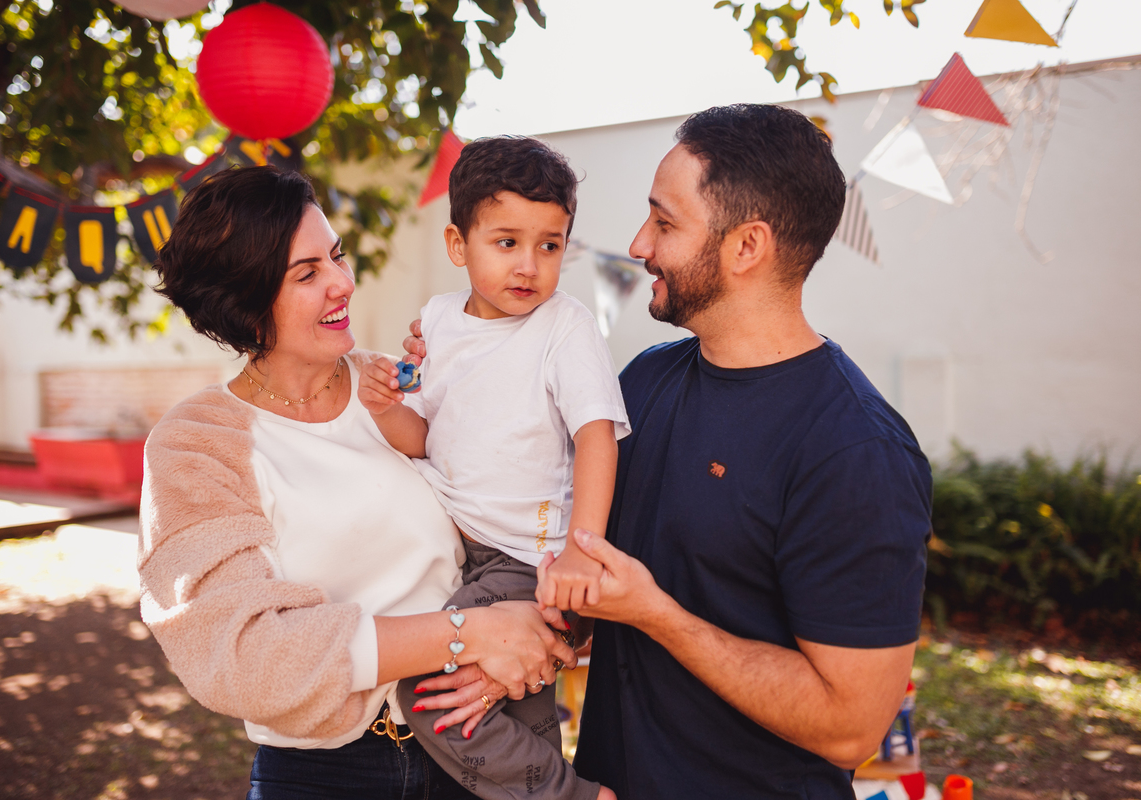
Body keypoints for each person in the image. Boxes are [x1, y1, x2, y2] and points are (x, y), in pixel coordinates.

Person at [404, 104, 932, 799]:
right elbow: (578, 575)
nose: (638, 243)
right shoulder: (645, 385)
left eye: (664, 221)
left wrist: (658, 615)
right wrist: (522, 642)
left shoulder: (854, 450)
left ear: (746, 247)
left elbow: (850, 728)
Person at [138, 165, 576, 800]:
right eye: (306, 273)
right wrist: (468, 636)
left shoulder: (396, 386)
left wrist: (545, 630)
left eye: (336, 255)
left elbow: (530, 513)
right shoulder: (196, 444)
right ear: (247, 300)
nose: (343, 282)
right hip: (330, 774)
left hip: (482, 742)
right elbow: (242, 658)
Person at [358, 136, 626, 800]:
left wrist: (579, 554)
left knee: (427, 690)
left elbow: (598, 435)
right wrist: (384, 407)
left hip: (524, 558)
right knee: (514, 706)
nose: (529, 265)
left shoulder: (565, 326)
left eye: (550, 244)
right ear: (459, 245)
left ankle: (574, 796)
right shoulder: (439, 321)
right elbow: (423, 437)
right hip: (457, 551)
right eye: (507, 242)